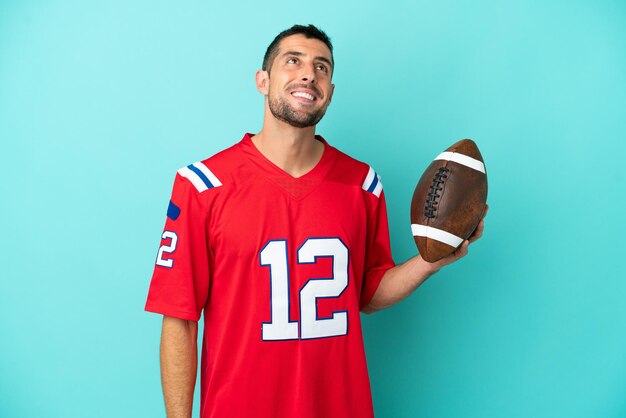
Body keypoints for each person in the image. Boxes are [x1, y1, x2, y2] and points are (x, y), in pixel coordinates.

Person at [145, 24, 486, 418]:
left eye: (322, 67)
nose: (309, 74)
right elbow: (180, 319)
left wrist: (434, 259)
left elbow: (368, 293)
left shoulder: (362, 184)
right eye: (294, 61)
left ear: (330, 93)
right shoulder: (203, 185)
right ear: (263, 80)